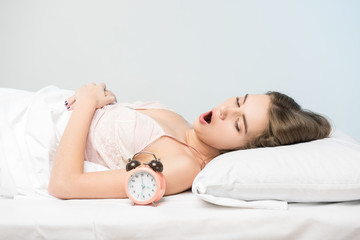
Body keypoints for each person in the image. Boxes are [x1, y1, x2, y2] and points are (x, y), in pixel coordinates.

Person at [48, 83, 331, 199]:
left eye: (237, 123)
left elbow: (64, 184)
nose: (223, 110)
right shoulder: (180, 122)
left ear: (245, 149)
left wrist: (87, 101)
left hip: (23, 138)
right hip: (39, 105)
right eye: (237, 101)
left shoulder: (183, 165)